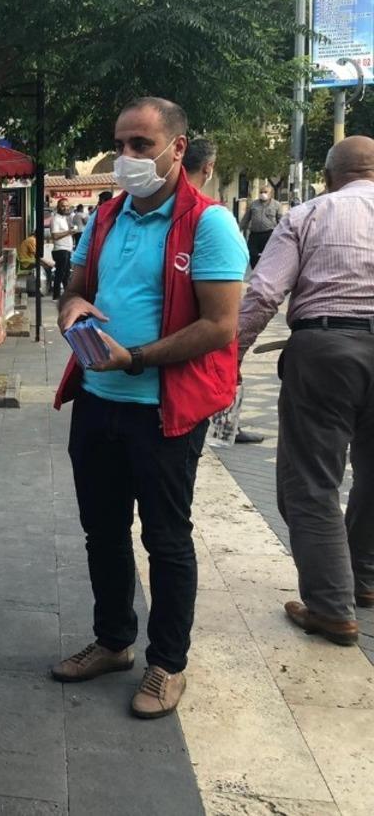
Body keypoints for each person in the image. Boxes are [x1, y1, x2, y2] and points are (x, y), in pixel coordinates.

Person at [51, 97, 247, 718]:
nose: (127, 158)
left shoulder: (209, 224)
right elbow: (77, 287)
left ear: (177, 148)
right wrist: (71, 310)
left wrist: (134, 357)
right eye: (121, 144)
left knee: (166, 539)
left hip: (162, 409)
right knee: (102, 532)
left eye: (141, 144)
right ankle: (113, 642)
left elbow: (220, 326)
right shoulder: (104, 217)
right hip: (97, 401)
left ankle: (168, 664)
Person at [237, 135, 374, 646]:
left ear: (330, 172)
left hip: (325, 349)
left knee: (313, 480)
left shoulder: (309, 214)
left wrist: (231, 358)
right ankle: (363, 578)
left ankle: (331, 606)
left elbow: (265, 292)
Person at [183, 137, 264, 445]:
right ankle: (221, 424)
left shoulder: (206, 217)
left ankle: (220, 424)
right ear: (209, 168)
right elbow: (262, 294)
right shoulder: (212, 217)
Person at [240, 185, 280, 269]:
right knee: (252, 255)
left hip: (269, 234)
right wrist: (238, 229)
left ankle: (266, 274)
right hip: (255, 235)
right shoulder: (254, 204)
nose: (263, 194)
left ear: (271, 194)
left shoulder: (276, 205)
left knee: (268, 257)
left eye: (265, 192)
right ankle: (254, 272)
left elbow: (281, 220)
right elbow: (246, 218)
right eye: (261, 192)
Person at [49, 198, 76, 298]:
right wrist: (69, 232)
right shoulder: (55, 219)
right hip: (60, 250)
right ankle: (56, 296)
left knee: (66, 273)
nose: (65, 208)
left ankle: (67, 295)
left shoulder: (64, 218)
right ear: (58, 207)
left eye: (67, 206)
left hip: (67, 249)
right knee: (60, 273)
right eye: (63, 206)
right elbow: (55, 236)